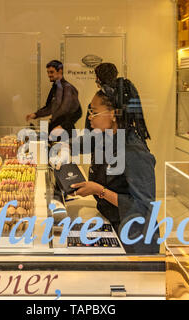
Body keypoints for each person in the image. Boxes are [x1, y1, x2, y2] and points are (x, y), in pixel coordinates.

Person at [64, 86, 160, 254]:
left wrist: (100, 191)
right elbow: (80, 144)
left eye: (94, 112)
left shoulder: (134, 151)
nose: (89, 117)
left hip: (134, 237)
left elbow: (145, 207)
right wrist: (63, 147)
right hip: (110, 219)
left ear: (114, 114)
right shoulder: (105, 136)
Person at [85, 63, 151, 142]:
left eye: (94, 113)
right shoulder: (126, 98)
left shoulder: (97, 105)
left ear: (98, 79)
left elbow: (89, 136)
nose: (91, 117)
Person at [25, 60, 82, 136]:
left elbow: (77, 113)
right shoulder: (56, 87)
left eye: (51, 72)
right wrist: (35, 115)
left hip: (65, 132)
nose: (49, 75)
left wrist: (62, 126)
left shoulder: (68, 88)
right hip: (56, 129)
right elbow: (50, 107)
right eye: (48, 72)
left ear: (60, 71)